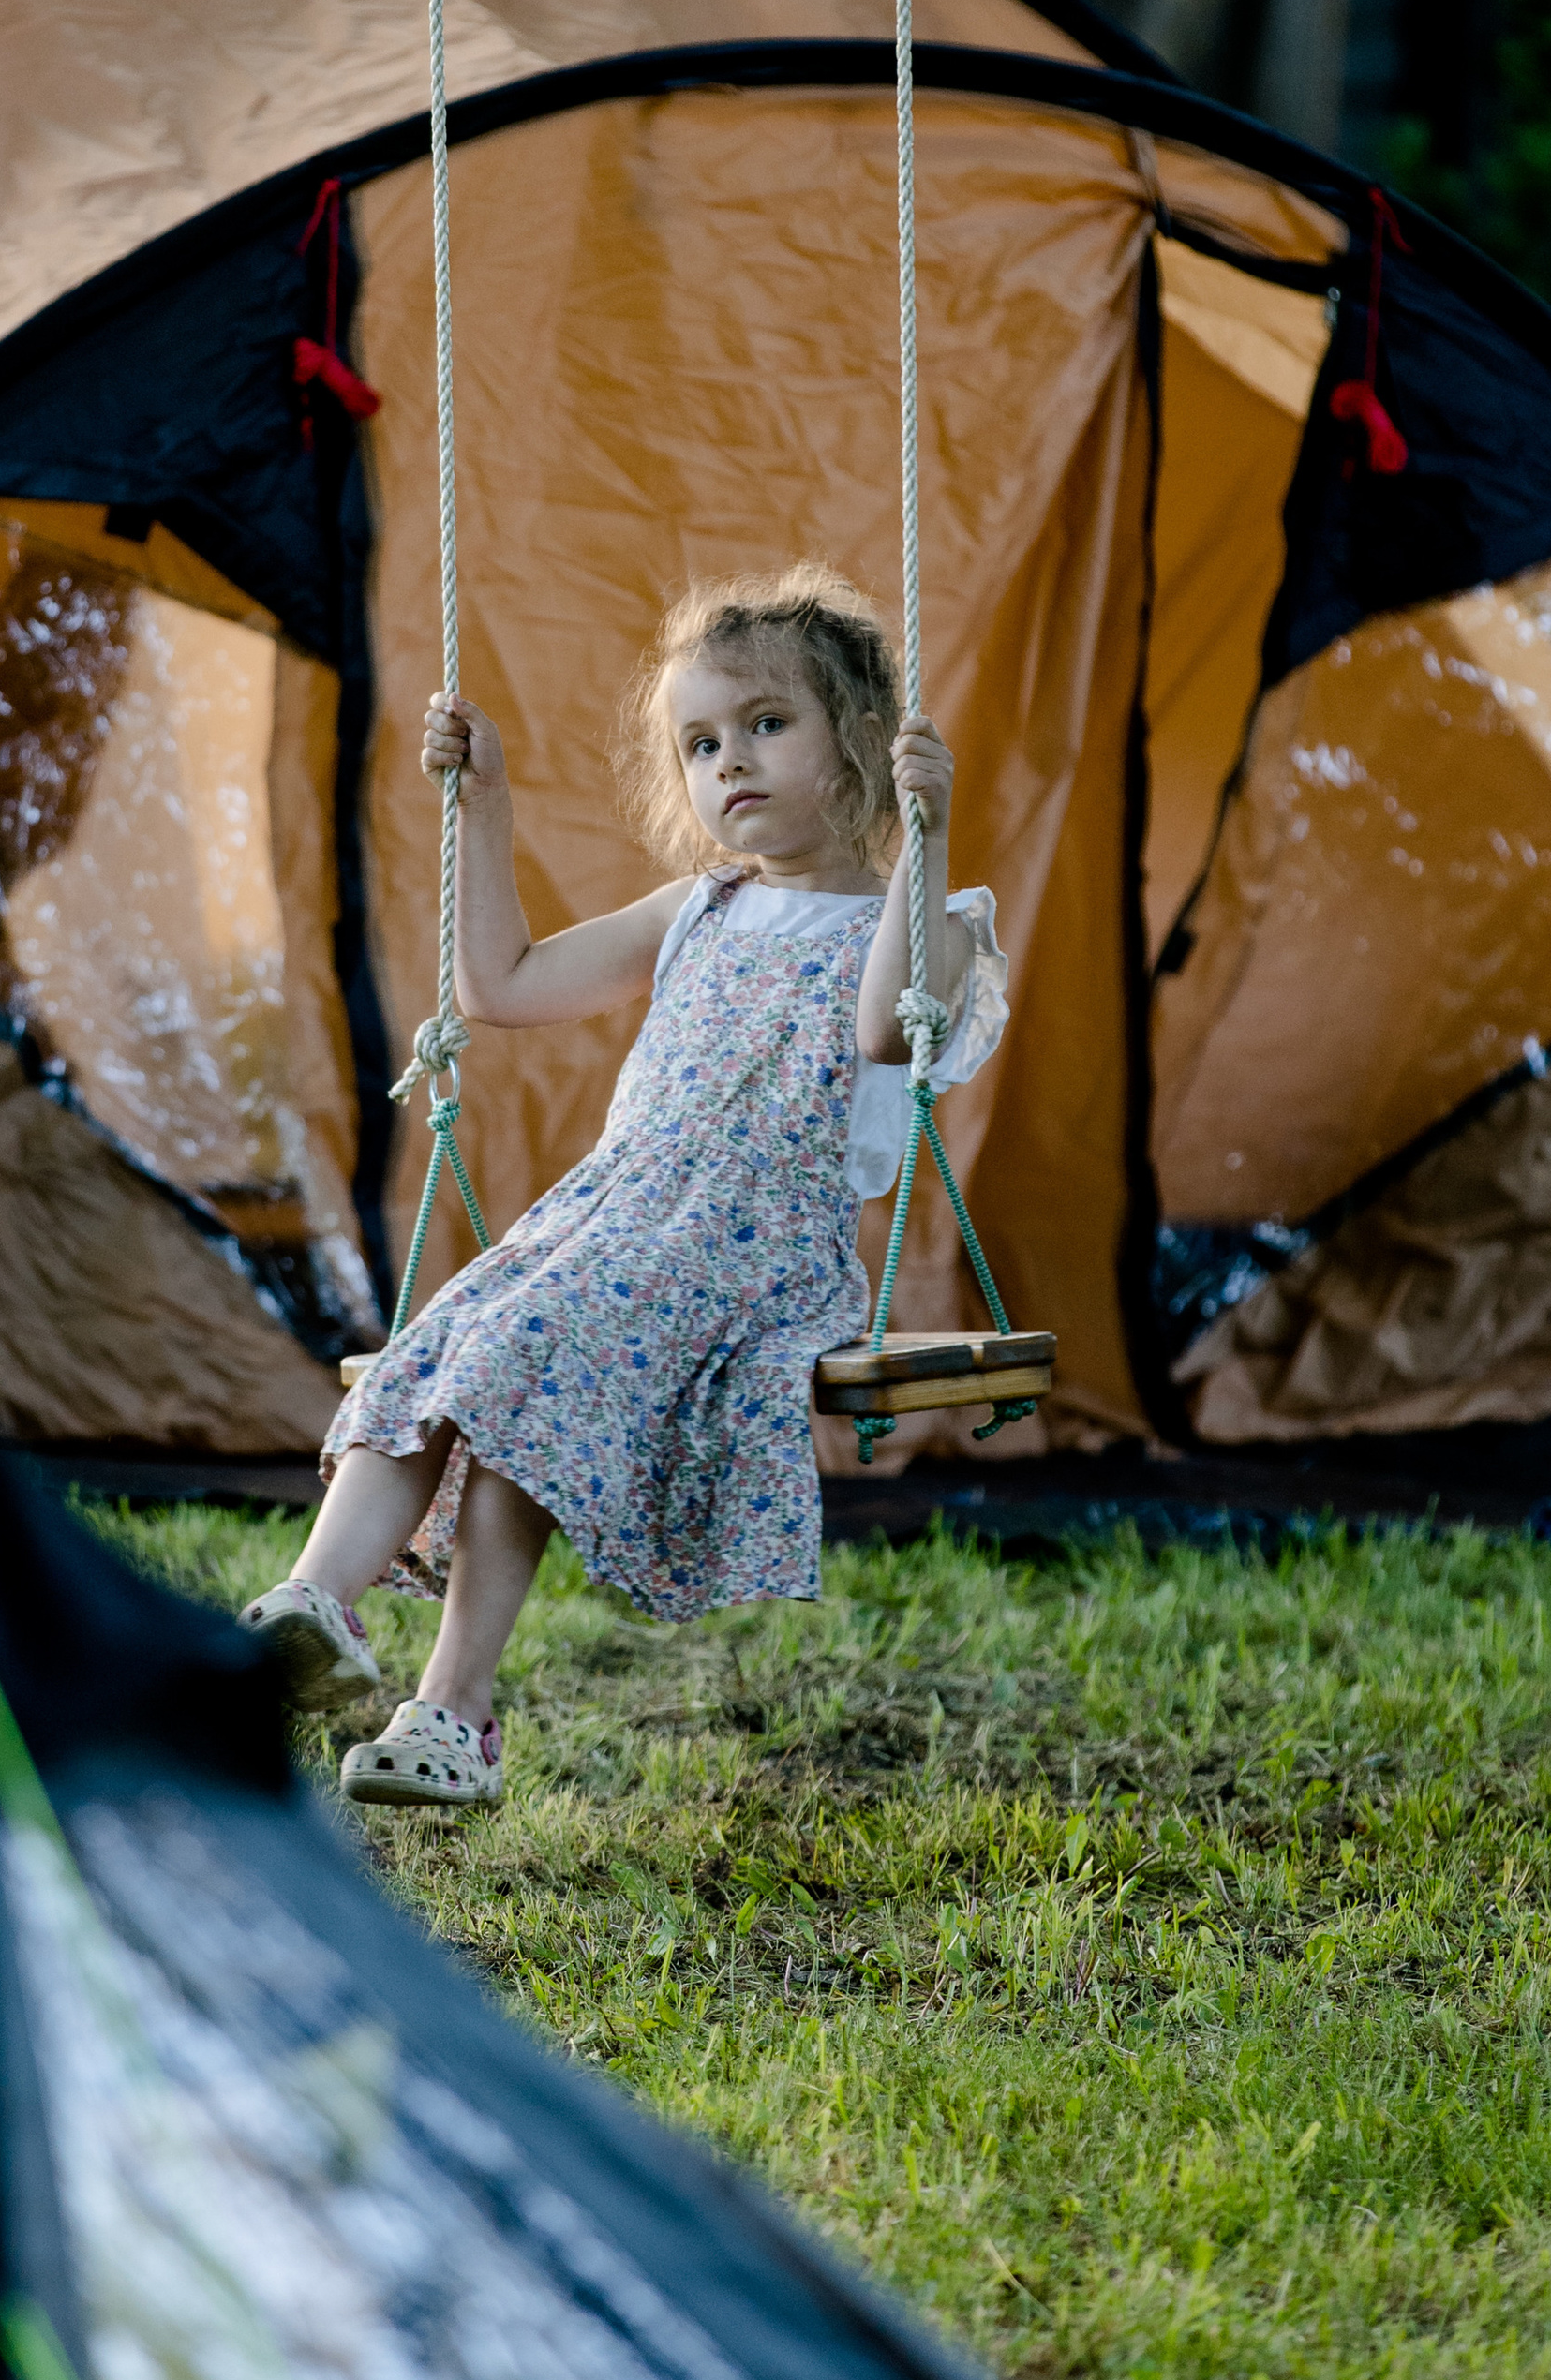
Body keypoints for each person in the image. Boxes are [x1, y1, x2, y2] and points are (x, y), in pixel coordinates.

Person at [241, 565, 1009, 1807]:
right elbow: (498, 984)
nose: (731, 762)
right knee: (442, 1354)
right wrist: (481, 802)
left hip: (753, 1252)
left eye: (768, 724)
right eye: (702, 742)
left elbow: (882, 1027)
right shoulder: (693, 910)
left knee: (525, 1353)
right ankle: (316, 1611)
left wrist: (927, 837)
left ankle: (453, 1707)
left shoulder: (932, 922)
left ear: (864, 739)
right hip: (605, 1224)